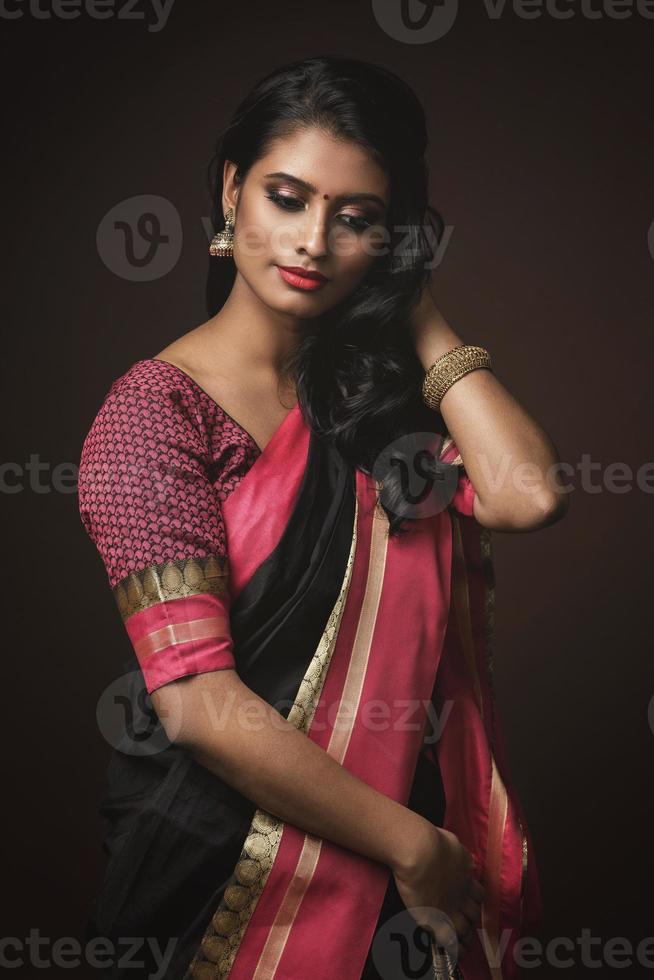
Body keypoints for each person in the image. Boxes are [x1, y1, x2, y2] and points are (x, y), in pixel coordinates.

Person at [77, 56, 565, 980]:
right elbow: (196, 705)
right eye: (287, 198)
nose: (310, 243)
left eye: (357, 219)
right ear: (231, 191)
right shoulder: (155, 411)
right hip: (215, 869)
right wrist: (413, 847)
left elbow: (526, 494)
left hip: (398, 880)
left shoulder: (374, 410)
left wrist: (416, 308)